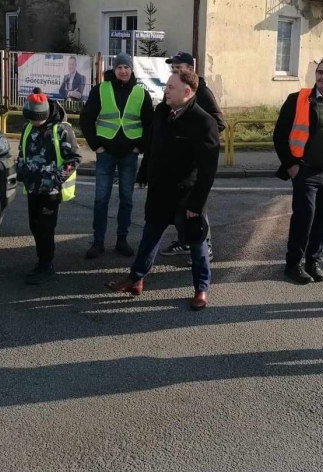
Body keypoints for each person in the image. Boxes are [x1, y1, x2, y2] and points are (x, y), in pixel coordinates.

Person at [106, 69, 219, 310]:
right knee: (149, 237)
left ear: (186, 92)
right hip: (160, 191)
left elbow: (207, 171)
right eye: (166, 86)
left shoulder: (204, 123)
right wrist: (144, 174)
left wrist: (196, 205)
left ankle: (201, 289)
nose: (165, 91)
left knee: (197, 243)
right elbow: (152, 145)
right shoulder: (161, 112)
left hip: (187, 196)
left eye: (170, 87)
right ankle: (136, 279)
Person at [273, 57, 323, 283]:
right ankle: (293, 264)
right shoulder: (298, 99)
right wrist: (292, 166)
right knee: (304, 217)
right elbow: (279, 135)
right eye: (320, 72)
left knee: (322, 218)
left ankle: (313, 261)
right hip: (305, 171)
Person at [80, 53, 154, 258]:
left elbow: (150, 124)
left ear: (132, 70)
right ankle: (98, 241)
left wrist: (140, 147)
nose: (123, 71)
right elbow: (86, 118)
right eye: (119, 67)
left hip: (129, 155)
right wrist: (96, 145)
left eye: (126, 67)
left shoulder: (141, 93)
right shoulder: (101, 90)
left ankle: (122, 239)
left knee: (126, 200)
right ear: (114, 69)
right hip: (106, 154)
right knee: (100, 199)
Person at [160, 51, 225, 260]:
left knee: (198, 208)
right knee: (180, 208)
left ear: (190, 69)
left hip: (196, 164)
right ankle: (184, 241)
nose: (175, 71)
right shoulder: (173, 90)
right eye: (173, 68)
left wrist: (196, 138)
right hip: (177, 164)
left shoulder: (203, 92)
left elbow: (218, 122)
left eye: (180, 68)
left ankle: (206, 249)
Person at [16, 87, 81, 283]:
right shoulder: (28, 127)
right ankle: (41, 260)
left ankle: (46, 265)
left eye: (37, 119)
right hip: (33, 188)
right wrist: (21, 171)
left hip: (51, 190)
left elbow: (74, 158)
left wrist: (56, 178)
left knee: (45, 227)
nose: (34, 123)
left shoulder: (61, 129)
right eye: (31, 119)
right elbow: (22, 152)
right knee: (34, 226)